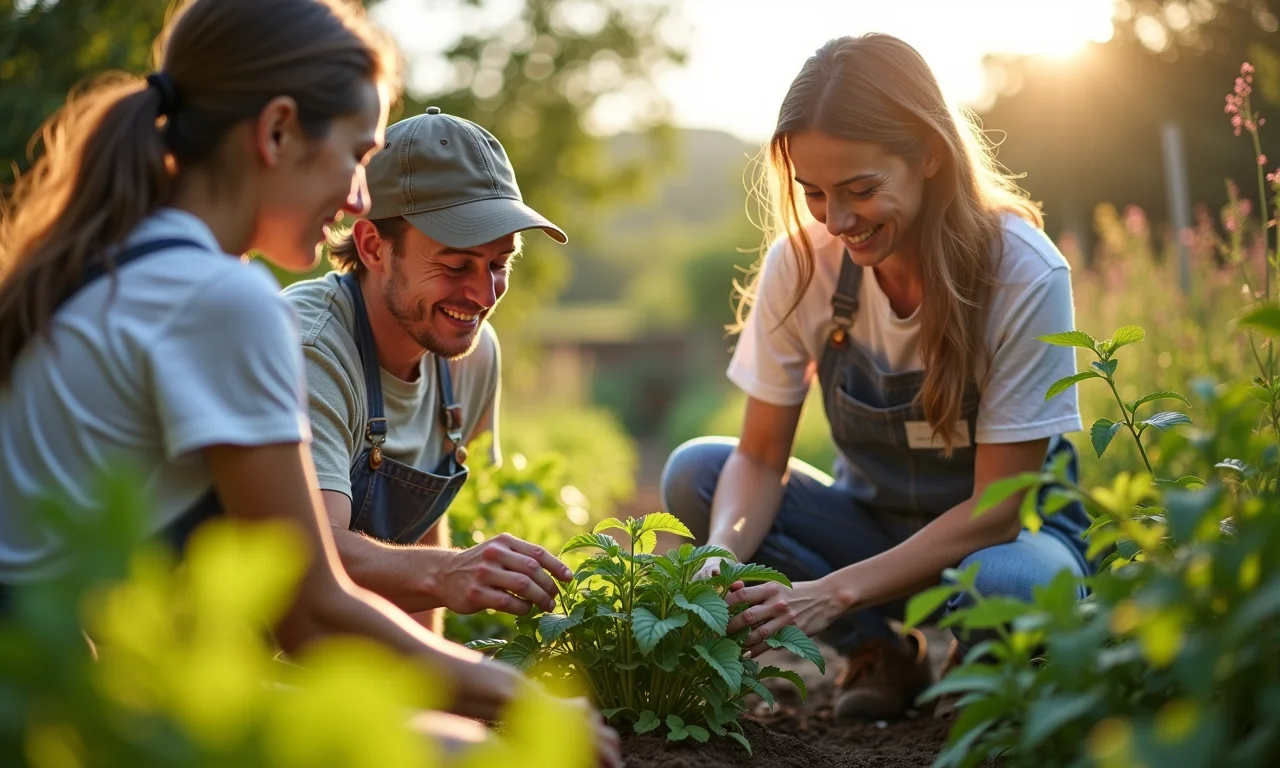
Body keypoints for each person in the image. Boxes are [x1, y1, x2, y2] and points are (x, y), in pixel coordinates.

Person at [0, 1, 619, 763]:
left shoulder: (119, 258)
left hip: (64, 683)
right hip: (54, 712)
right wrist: (512, 697)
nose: (358, 196)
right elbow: (311, 609)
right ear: (278, 131)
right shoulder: (226, 302)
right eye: (357, 157)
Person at [659, 33, 1094, 723]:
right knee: (697, 475)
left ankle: (982, 660)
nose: (837, 220)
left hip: (1009, 542)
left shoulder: (1022, 272)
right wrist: (718, 557)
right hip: (871, 532)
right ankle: (883, 652)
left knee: (1008, 579)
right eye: (815, 194)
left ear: (929, 154)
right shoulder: (803, 266)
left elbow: (999, 509)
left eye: (861, 190)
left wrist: (831, 591)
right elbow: (761, 456)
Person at [281, 108, 571, 633]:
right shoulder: (311, 350)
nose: (484, 296)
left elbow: (420, 533)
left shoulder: (470, 357)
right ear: (373, 246)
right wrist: (448, 572)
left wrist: (432, 686)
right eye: (457, 265)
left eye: (499, 264)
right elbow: (308, 553)